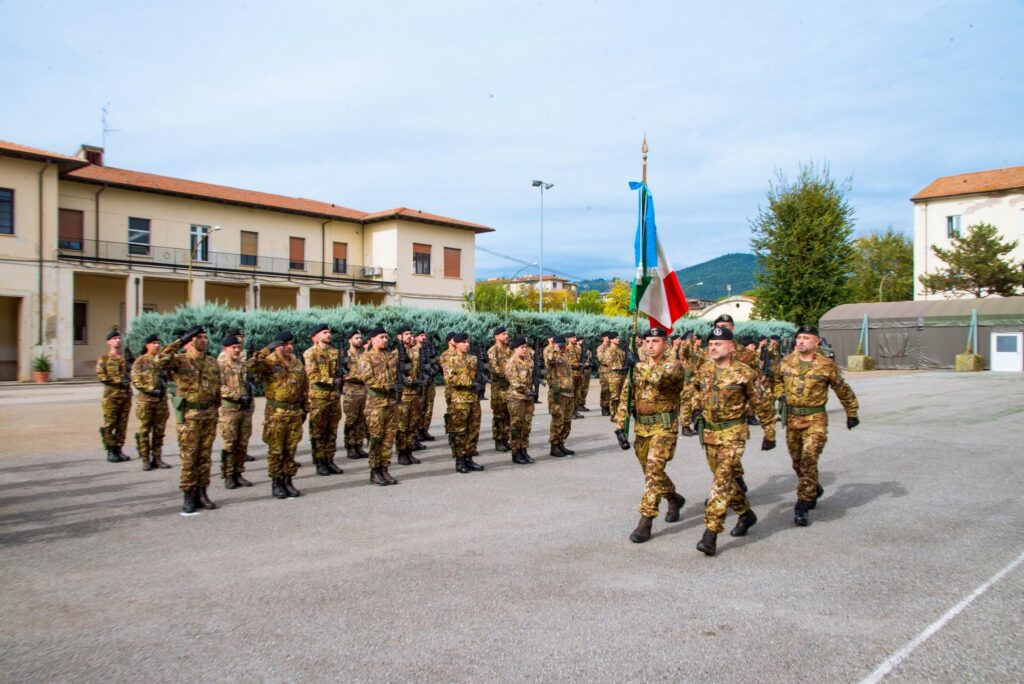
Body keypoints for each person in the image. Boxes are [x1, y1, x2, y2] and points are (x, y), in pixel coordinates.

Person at [685, 326, 776, 556]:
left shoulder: (744, 373)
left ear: (731, 347)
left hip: (734, 433)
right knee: (726, 480)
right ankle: (746, 514)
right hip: (710, 434)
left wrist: (769, 432)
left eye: (719, 344)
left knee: (721, 482)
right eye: (711, 345)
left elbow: (762, 403)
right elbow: (693, 391)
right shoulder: (704, 370)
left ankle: (710, 533)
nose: (714, 348)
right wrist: (694, 412)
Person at [777, 324, 859, 526]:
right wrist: (780, 394)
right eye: (799, 338)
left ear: (816, 342)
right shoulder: (787, 362)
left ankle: (802, 505)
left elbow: (842, 389)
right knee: (797, 462)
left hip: (815, 419)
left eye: (806, 338)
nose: (801, 341)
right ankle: (813, 486)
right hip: (793, 419)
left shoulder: (826, 365)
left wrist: (852, 412)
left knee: (808, 459)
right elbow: (776, 381)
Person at [613, 328, 688, 543]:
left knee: (654, 469)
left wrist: (636, 364)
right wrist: (620, 424)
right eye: (647, 341)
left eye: (655, 341)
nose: (650, 345)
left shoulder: (673, 365)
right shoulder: (637, 368)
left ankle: (645, 521)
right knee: (651, 473)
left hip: (664, 427)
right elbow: (627, 396)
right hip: (642, 428)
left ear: (666, 343)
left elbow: (660, 379)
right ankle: (673, 498)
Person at [156, 326, 222, 515]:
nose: (203, 340)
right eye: (198, 337)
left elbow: (217, 387)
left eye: (204, 337)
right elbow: (160, 360)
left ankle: (202, 492)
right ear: (189, 342)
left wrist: (215, 408)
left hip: (208, 415)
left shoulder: (211, 362)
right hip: (189, 417)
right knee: (189, 458)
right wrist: (180, 340)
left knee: (205, 457)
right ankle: (188, 495)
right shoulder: (179, 361)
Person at [252, 331, 308, 498]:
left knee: (290, 449)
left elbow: (304, 386)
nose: (290, 347)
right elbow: (251, 365)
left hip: (294, 412)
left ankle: (288, 480)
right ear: (278, 346)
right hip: (276, 413)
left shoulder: (297, 363)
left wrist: (305, 408)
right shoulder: (269, 362)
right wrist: (266, 350)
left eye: (291, 344)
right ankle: (276, 482)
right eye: (286, 344)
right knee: (276, 450)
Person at [356, 326, 400, 485]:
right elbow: (367, 378)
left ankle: (385, 469)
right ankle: (375, 471)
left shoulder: (390, 356)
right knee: (376, 439)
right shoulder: (365, 357)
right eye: (381, 337)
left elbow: (398, 375)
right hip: (376, 404)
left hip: (391, 403)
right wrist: (388, 386)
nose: (385, 340)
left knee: (389, 438)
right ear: (373, 339)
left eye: (386, 337)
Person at [303, 324, 344, 477]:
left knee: (332, 430)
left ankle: (329, 459)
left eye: (329, 332)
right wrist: (331, 380)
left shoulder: (335, 352)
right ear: (316, 336)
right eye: (325, 333)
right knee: (318, 431)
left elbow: (341, 372)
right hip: (318, 398)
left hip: (333, 397)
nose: (328, 335)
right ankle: (319, 461)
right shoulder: (310, 353)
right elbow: (312, 375)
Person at [443, 333, 485, 473]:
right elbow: (450, 379)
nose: (467, 344)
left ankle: (469, 458)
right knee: (459, 431)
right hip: (459, 400)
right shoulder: (449, 358)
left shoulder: (473, 359)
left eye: (468, 342)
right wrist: (470, 383)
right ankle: (459, 460)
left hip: (473, 400)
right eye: (464, 342)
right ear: (456, 344)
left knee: (473, 430)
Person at [217, 331, 254, 489]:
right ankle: (228, 474)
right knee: (230, 444)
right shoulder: (219, 365)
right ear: (225, 348)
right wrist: (236, 396)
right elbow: (219, 387)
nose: (237, 350)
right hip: (229, 410)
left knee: (242, 443)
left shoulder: (241, 364)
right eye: (234, 347)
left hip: (244, 410)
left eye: (238, 347)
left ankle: (239, 473)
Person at [131, 333, 171, 471]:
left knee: (159, 431)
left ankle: (157, 457)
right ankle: (145, 458)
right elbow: (136, 380)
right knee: (145, 430)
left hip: (161, 401)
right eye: (154, 343)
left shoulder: (162, 361)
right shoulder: (141, 361)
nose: (157, 345)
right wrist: (151, 389)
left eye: (158, 343)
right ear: (147, 345)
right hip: (146, 401)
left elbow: (170, 377)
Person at [96, 330, 132, 463]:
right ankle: (110, 450)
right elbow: (101, 376)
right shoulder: (104, 359)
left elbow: (132, 375)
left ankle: (119, 449)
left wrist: (131, 363)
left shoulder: (124, 359)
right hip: (111, 397)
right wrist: (118, 381)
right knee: (110, 423)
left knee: (122, 424)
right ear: (109, 342)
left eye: (119, 338)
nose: (118, 340)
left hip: (125, 396)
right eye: (115, 338)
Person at [504, 336, 536, 464]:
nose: (524, 349)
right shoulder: (511, 362)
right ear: (515, 349)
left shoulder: (529, 361)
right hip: (516, 398)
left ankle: (524, 450)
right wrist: (528, 390)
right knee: (516, 426)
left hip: (528, 398)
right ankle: (515, 452)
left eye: (525, 347)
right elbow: (515, 382)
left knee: (526, 426)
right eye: (522, 347)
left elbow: (531, 378)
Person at [395, 326, 423, 466]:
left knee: (413, 425)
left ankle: (409, 451)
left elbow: (419, 370)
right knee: (402, 426)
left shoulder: (415, 352)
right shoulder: (395, 354)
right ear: (399, 336)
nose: (409, 336)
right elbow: (395, 375)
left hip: (415, 394)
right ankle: (401, 453)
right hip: (403, 394)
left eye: (410, 334)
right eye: (406, 334)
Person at [545, 335, 576, 457]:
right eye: (562, 345)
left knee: (567, 421)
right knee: (558, 420)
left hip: (568, 393)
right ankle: (554, 446)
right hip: (558, 393)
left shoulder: (564, 356)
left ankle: (561, 443)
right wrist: (556, 348)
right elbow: (550, 359)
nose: (564, 347)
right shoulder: (551, 354)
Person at [342, 330, 369, 459]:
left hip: (364, 392)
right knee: (351, 421)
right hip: (351, 393)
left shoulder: (364, 355)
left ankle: (359, 445)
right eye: (356, 338)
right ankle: (350, 446)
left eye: (360, 337)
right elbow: (345, 374)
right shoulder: (345, 355)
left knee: (362, 421)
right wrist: (361, 377)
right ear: (350, 340)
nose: (359, 340)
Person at [487, 326, 513, 452]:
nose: (507, 336)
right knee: (499, 415)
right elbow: (495, 369)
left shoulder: (509, 350)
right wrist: (511, 373)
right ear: (497, 336)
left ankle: (505, 439)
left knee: (508, 414)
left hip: (509, 387)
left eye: (507, 334)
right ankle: (498, 440)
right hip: (498, 387)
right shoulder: (493, 351)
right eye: (504, 334)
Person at [415, 330, 437, 442]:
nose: (424, 337)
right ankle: (417, 431)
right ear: (416, 337)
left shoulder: (429, 345)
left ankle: (424, 429)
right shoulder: (413, 348)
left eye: (424, 335)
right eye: (421, 335)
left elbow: (433, 359)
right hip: (420, 382)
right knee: (420, 406)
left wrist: (433, 369)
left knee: (429, 406)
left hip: (430, 380)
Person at [605, 332, 626, 420]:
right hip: (614, 375)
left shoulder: (620, 351)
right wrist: (620, 366)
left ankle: (619, 413)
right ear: (611, 340)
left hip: (622, 374)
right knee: (614, 396)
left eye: (618, 338)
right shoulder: (608, 350)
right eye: (616, 338)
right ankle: (613, 414)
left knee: (621, 395)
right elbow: (608, 362)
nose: (618, 339)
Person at [565, 333, 585, 419]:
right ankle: (570, 412)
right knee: (571, 394)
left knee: (577, 394)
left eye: (575, 337)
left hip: (578, 374)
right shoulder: (566, 348)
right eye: (573, 337)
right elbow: (569, 362)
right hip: (571, 374)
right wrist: (581, 364)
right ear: (568, 339)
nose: (575, 339)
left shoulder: (578, 348)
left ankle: (575, 410)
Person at [596, 331, 611, 416]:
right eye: (607, 336)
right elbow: (601, 359)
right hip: (604, 371)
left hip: (612, 371)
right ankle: (604, 408)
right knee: (605, 390)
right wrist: (613, 363)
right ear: (603, 337)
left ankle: (610, 407)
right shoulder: (601, 348)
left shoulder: (611, 347)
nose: (609, 337)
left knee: (612, 390)